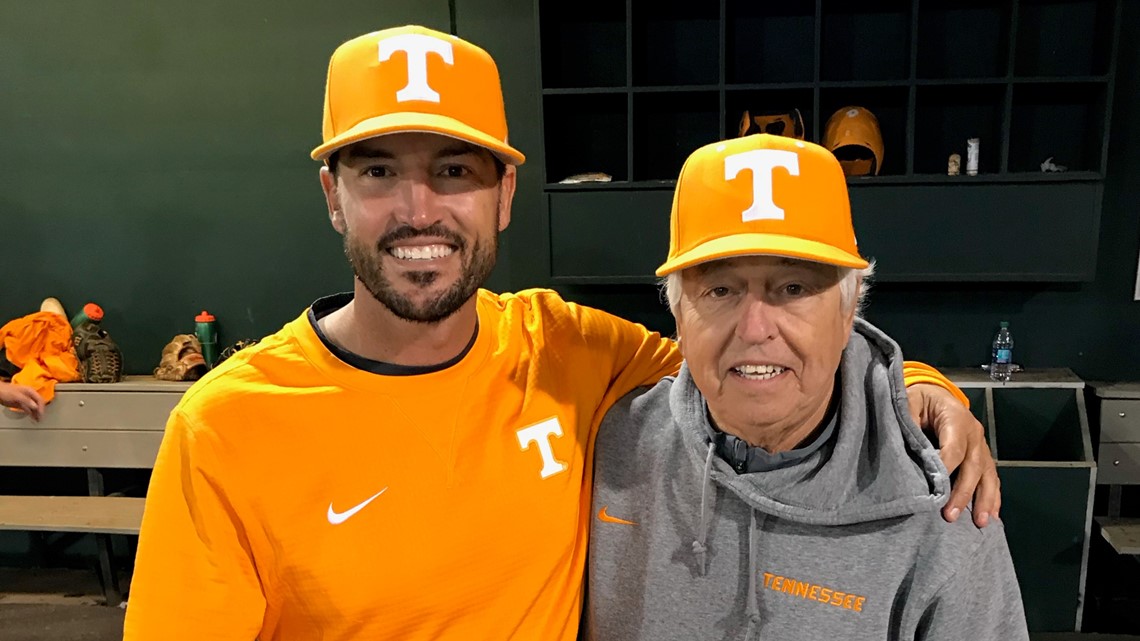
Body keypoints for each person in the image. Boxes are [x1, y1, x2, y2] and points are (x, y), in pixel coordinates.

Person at [124, 25, 999, 640]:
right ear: (332, 194)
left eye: (455, 169)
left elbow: (754, 358)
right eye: (380, 169)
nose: (418, 208)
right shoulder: (223, 429)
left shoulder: (567, 349)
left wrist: (917, 383)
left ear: (504, 193)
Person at [587, 133, 1027, 640]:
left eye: (793, 288)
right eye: (720, 289)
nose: (755, 329)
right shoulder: (612, 446)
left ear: (848, 311)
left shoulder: (942, 505)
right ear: (679, 317)